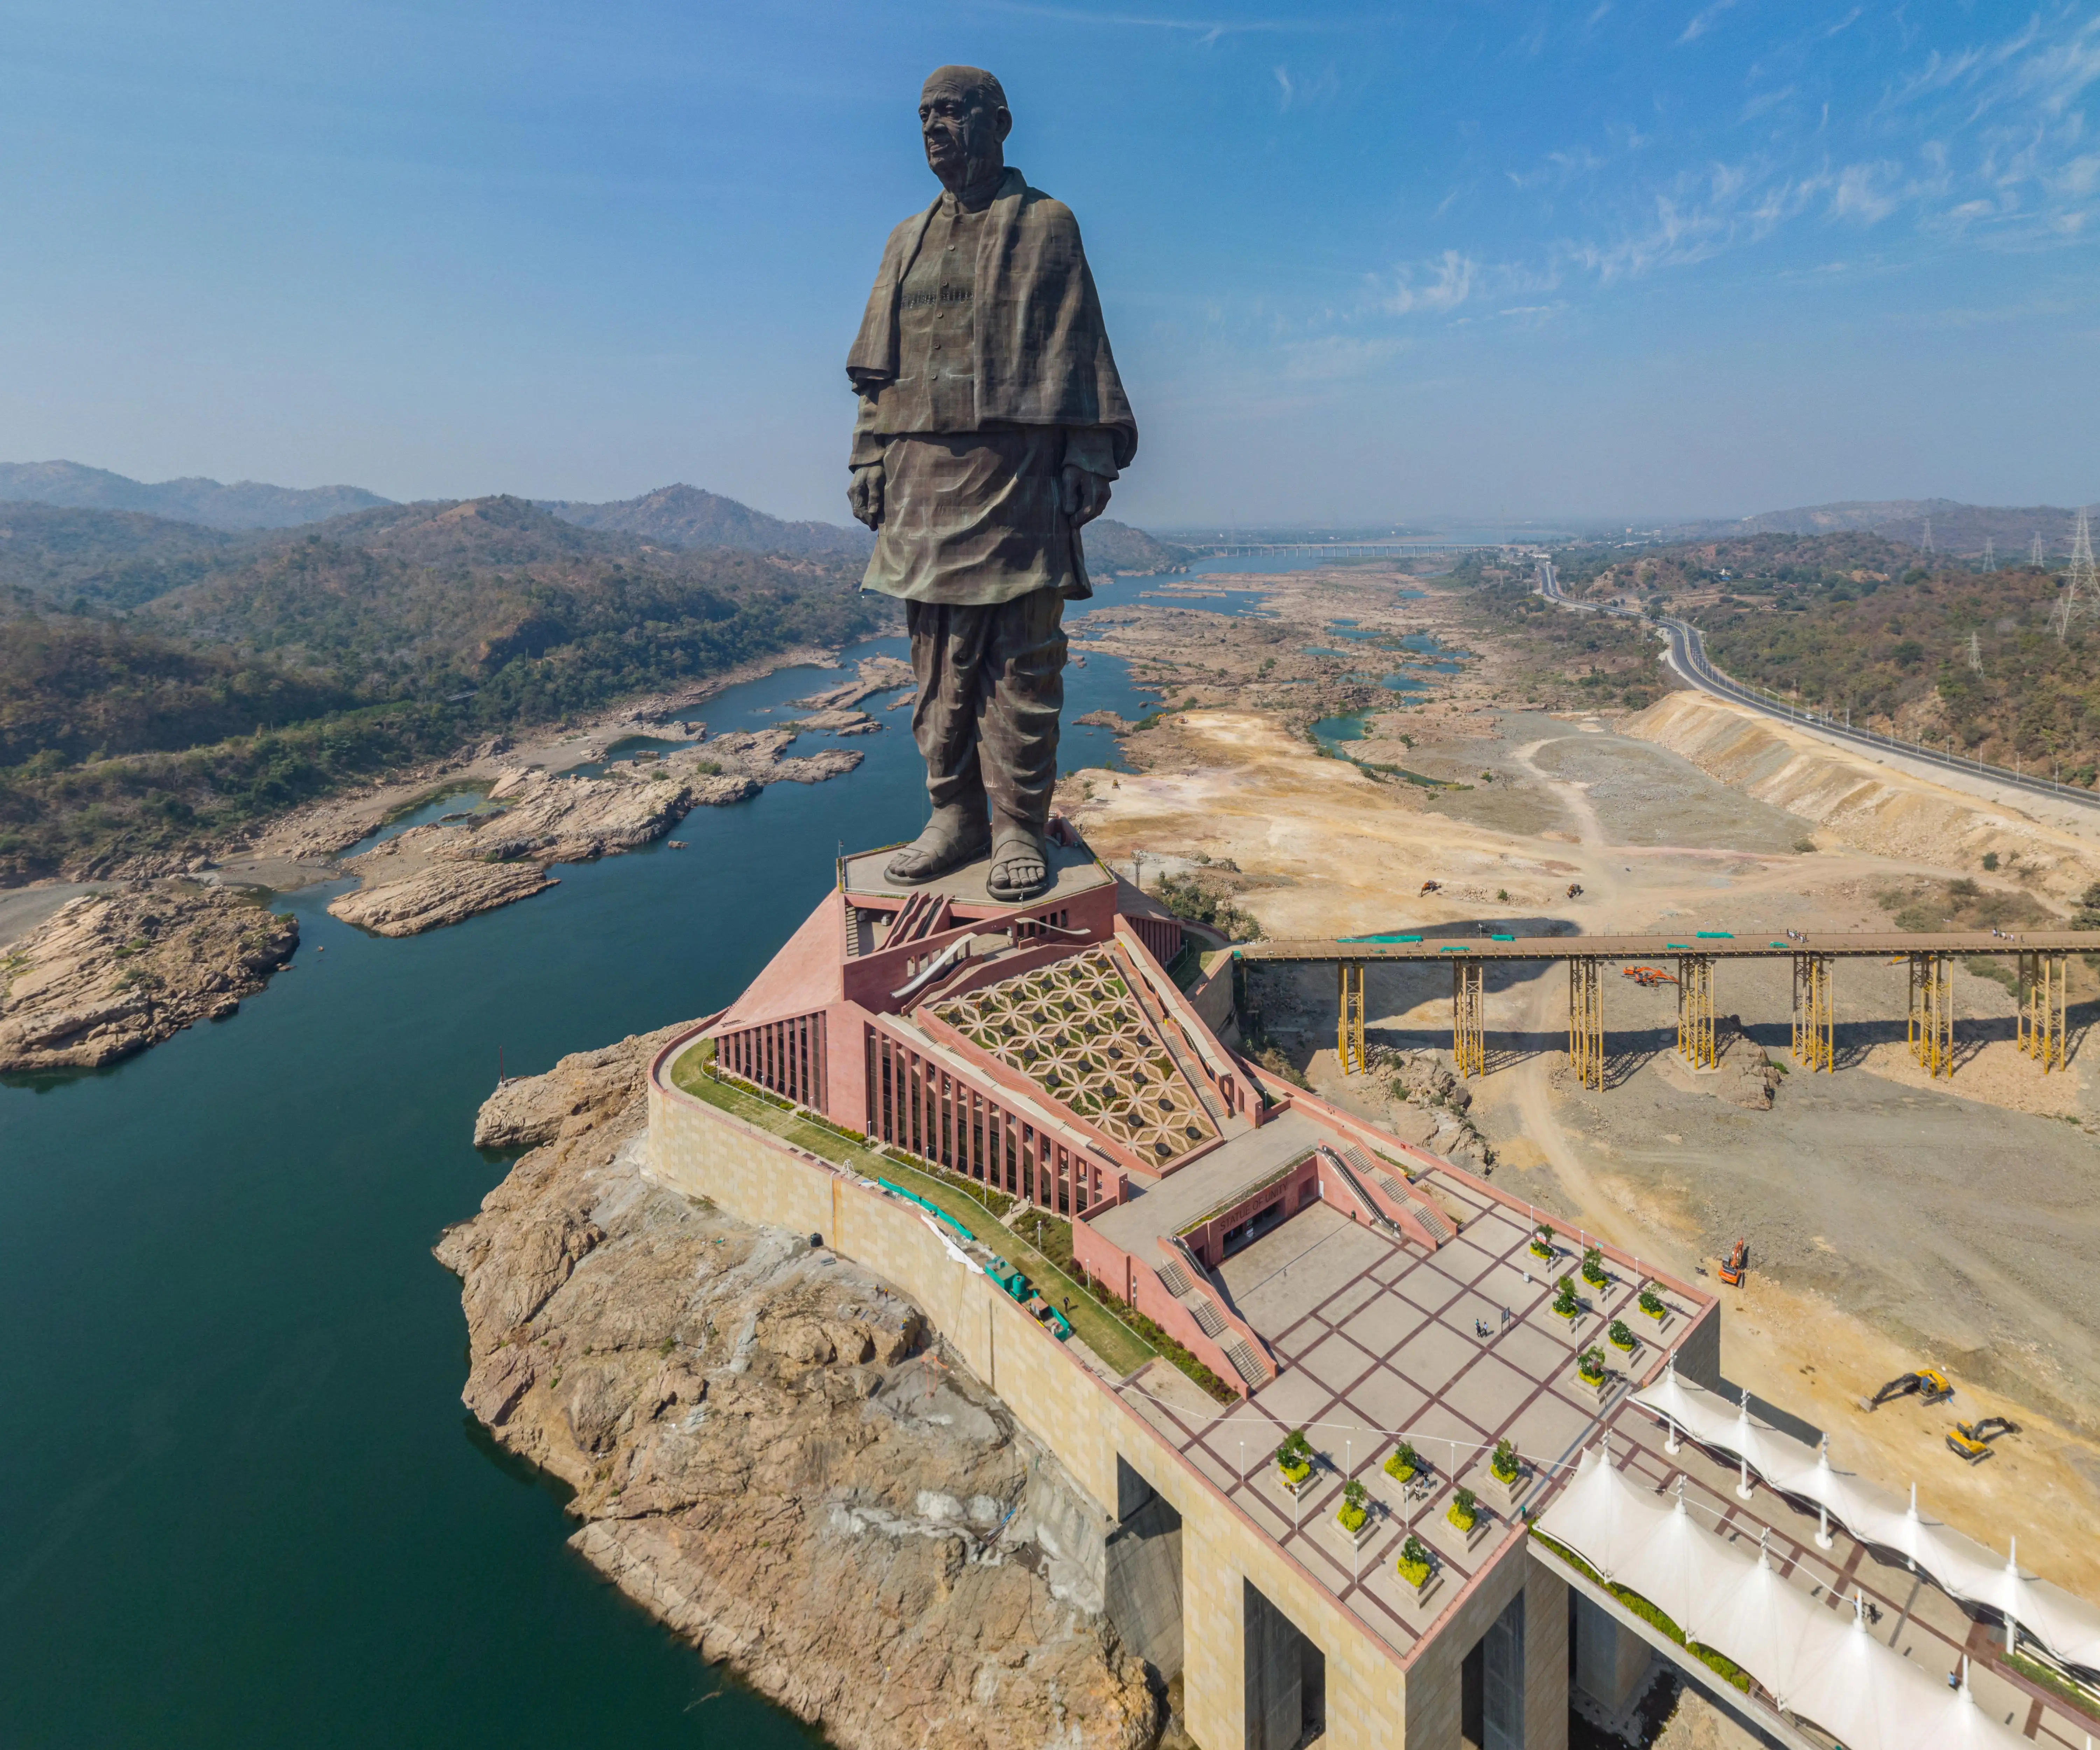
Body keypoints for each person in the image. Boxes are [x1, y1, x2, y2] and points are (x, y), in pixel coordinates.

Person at [846, 66, 1137, 902]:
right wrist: (869, 455)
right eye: (924, 115)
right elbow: (878, 374)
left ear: (999, 122)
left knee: (1023, 657)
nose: (934, 127)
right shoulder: (905, 239)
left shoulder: (1049, 225)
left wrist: (1086, 454)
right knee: (937, 660)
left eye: (952, 112)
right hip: (921, 475)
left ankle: (1017, 824)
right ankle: (954, 814)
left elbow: (1077, 346)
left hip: (1021, 474)